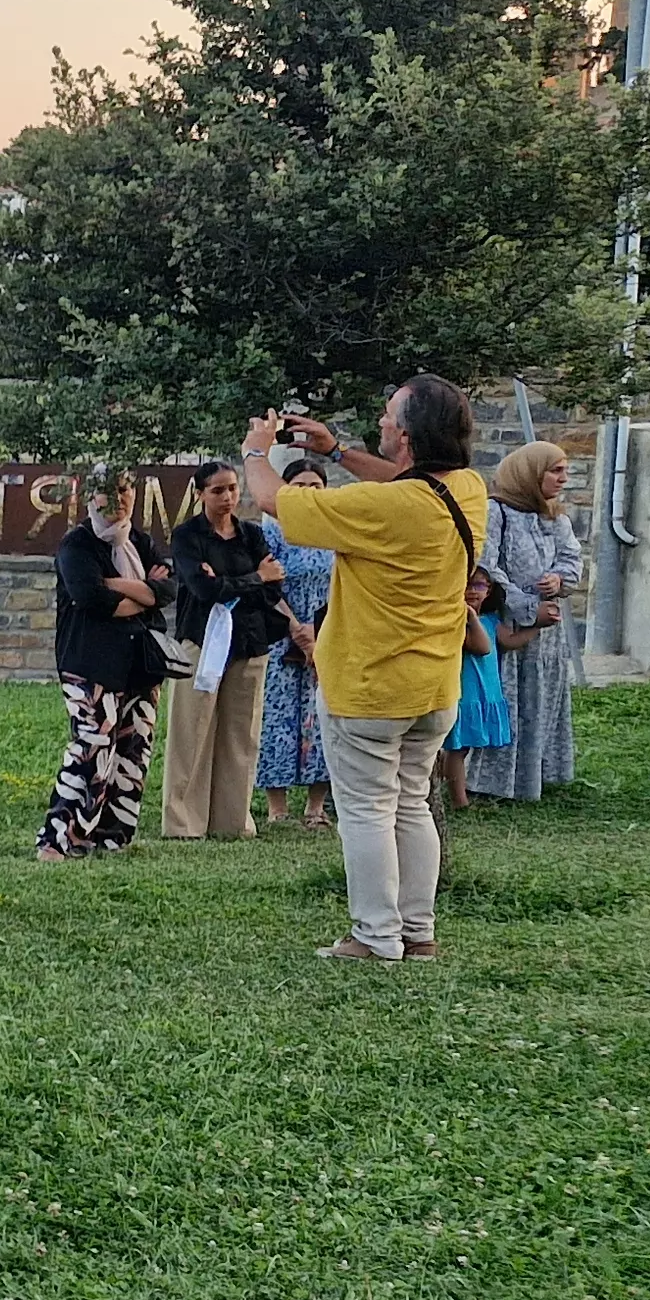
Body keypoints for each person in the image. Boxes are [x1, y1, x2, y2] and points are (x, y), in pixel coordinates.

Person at [246, 376, 494, 963]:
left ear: (405, 436)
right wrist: (334, 451)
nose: (379, 424)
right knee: (409, 803)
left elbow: (273, 501)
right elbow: (410, 487)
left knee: (365, 811)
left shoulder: (383, 507)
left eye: (386, 418)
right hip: (434, 684)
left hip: (369, 687)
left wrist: (259, 449)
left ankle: (375, 936)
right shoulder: (467, 489)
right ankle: (418, 931)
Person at [40, 465, 172, 860]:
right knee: (92, 745)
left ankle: (111, 836)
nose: (119, 500)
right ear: (90, 498)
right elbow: (90, 597)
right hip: (89, 664)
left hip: (139, 665)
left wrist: (122, 586)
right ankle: (60, 838)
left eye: (125, 490)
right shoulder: (77, 545)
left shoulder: (141, 543)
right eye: (108, 492)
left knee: (133, 748)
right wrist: (143, 592)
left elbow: (168, 589)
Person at [159, 458, 288, 840]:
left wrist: (235, 582)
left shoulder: (251, 535)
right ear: (200, 494)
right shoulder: (188, 537)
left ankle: (232, 821)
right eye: (217, 490)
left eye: (232, 488)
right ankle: (184, 823)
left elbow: (274, 587)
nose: (227, 497)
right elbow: (204, 591)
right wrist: (253, 578)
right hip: (201, 642)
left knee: (241, 734)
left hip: (249, 643)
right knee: (192, 730)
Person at [466, 440, 583, 802]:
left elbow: (572, 559)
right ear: (530, 474)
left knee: (541, 696)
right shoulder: (496, 512)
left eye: (565, 470)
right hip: (507, 623)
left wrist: (559, 580)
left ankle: (535, 775)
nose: (563, 478)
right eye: (555, 470)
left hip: (548, 630)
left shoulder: (554, 517)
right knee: (507, 696)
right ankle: (490, 782)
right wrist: (528, 607)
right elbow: (487, 567)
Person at [258, 454, 338, 830]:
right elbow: (268, 583)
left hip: (328, 633)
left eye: (316, 487)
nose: (308, 493)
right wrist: (296, 628)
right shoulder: (273, 530)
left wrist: (318, 633)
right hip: (281, 633)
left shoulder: (335, 530)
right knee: (278, 717)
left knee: (322, 716)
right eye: (300, 487)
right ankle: (277, 807)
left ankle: (316, 806)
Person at [442, 566, 513, 812]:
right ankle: (459, 801)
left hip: (485, 694)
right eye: (467, 585)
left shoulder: (492, 620)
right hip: (465, 695)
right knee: (457, 749)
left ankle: (448, 784)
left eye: (479, 585)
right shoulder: (458, 621)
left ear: (489, 590)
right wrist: (470, 617)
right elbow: (482, 648)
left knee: (463, 748)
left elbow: (509, 641)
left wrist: (537, 626)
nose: (473, 591)